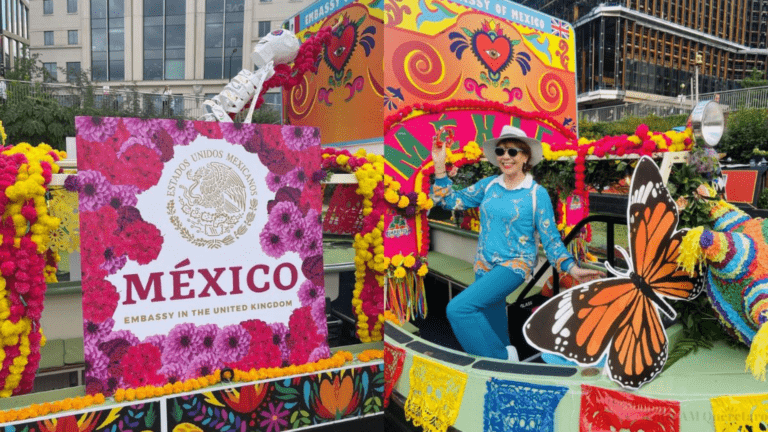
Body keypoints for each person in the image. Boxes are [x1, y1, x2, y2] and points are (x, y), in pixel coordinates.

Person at [430, 125, 601, 361]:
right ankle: (506, 363)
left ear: (525, 157)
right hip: (483, 265)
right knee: (494, 328)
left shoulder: (535, 194)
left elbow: (551, 239)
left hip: (514, 266)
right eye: (501, 151)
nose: (505, 157)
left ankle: (499, 361)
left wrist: (572, 268)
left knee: (459, 309)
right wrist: (440, 167)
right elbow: (450, 202)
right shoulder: (488, 185)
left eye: (513, 152)